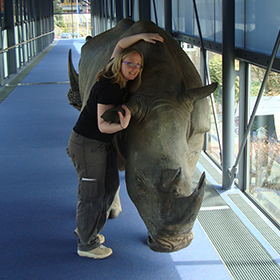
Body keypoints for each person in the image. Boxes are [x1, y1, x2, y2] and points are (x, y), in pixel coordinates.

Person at [67, 32, 164, 259]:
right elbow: (102, 125)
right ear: (120, 62)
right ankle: (86, 244)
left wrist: (143, 35)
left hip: (101, 145)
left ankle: (88, 229)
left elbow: (121, 44)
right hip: (87, 144)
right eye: (129, 63)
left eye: (138, 66)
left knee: (110, 186)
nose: (133, 68)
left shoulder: (116, 71)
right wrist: (124, 124)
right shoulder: (110, 86)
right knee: (91, 193)